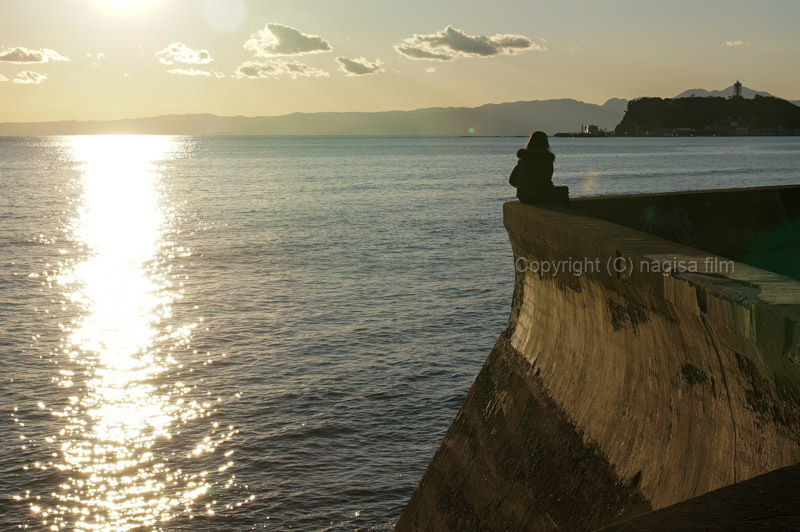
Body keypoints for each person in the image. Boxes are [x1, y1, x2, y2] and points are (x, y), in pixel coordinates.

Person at [509, 131, 569, 205]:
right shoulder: (546, 159)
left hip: (523, 197)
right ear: (545, 143)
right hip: (539, 195)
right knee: (564, 191)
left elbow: (512, 180)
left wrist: (524, 187)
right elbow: (545, 179)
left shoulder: (523, 158)